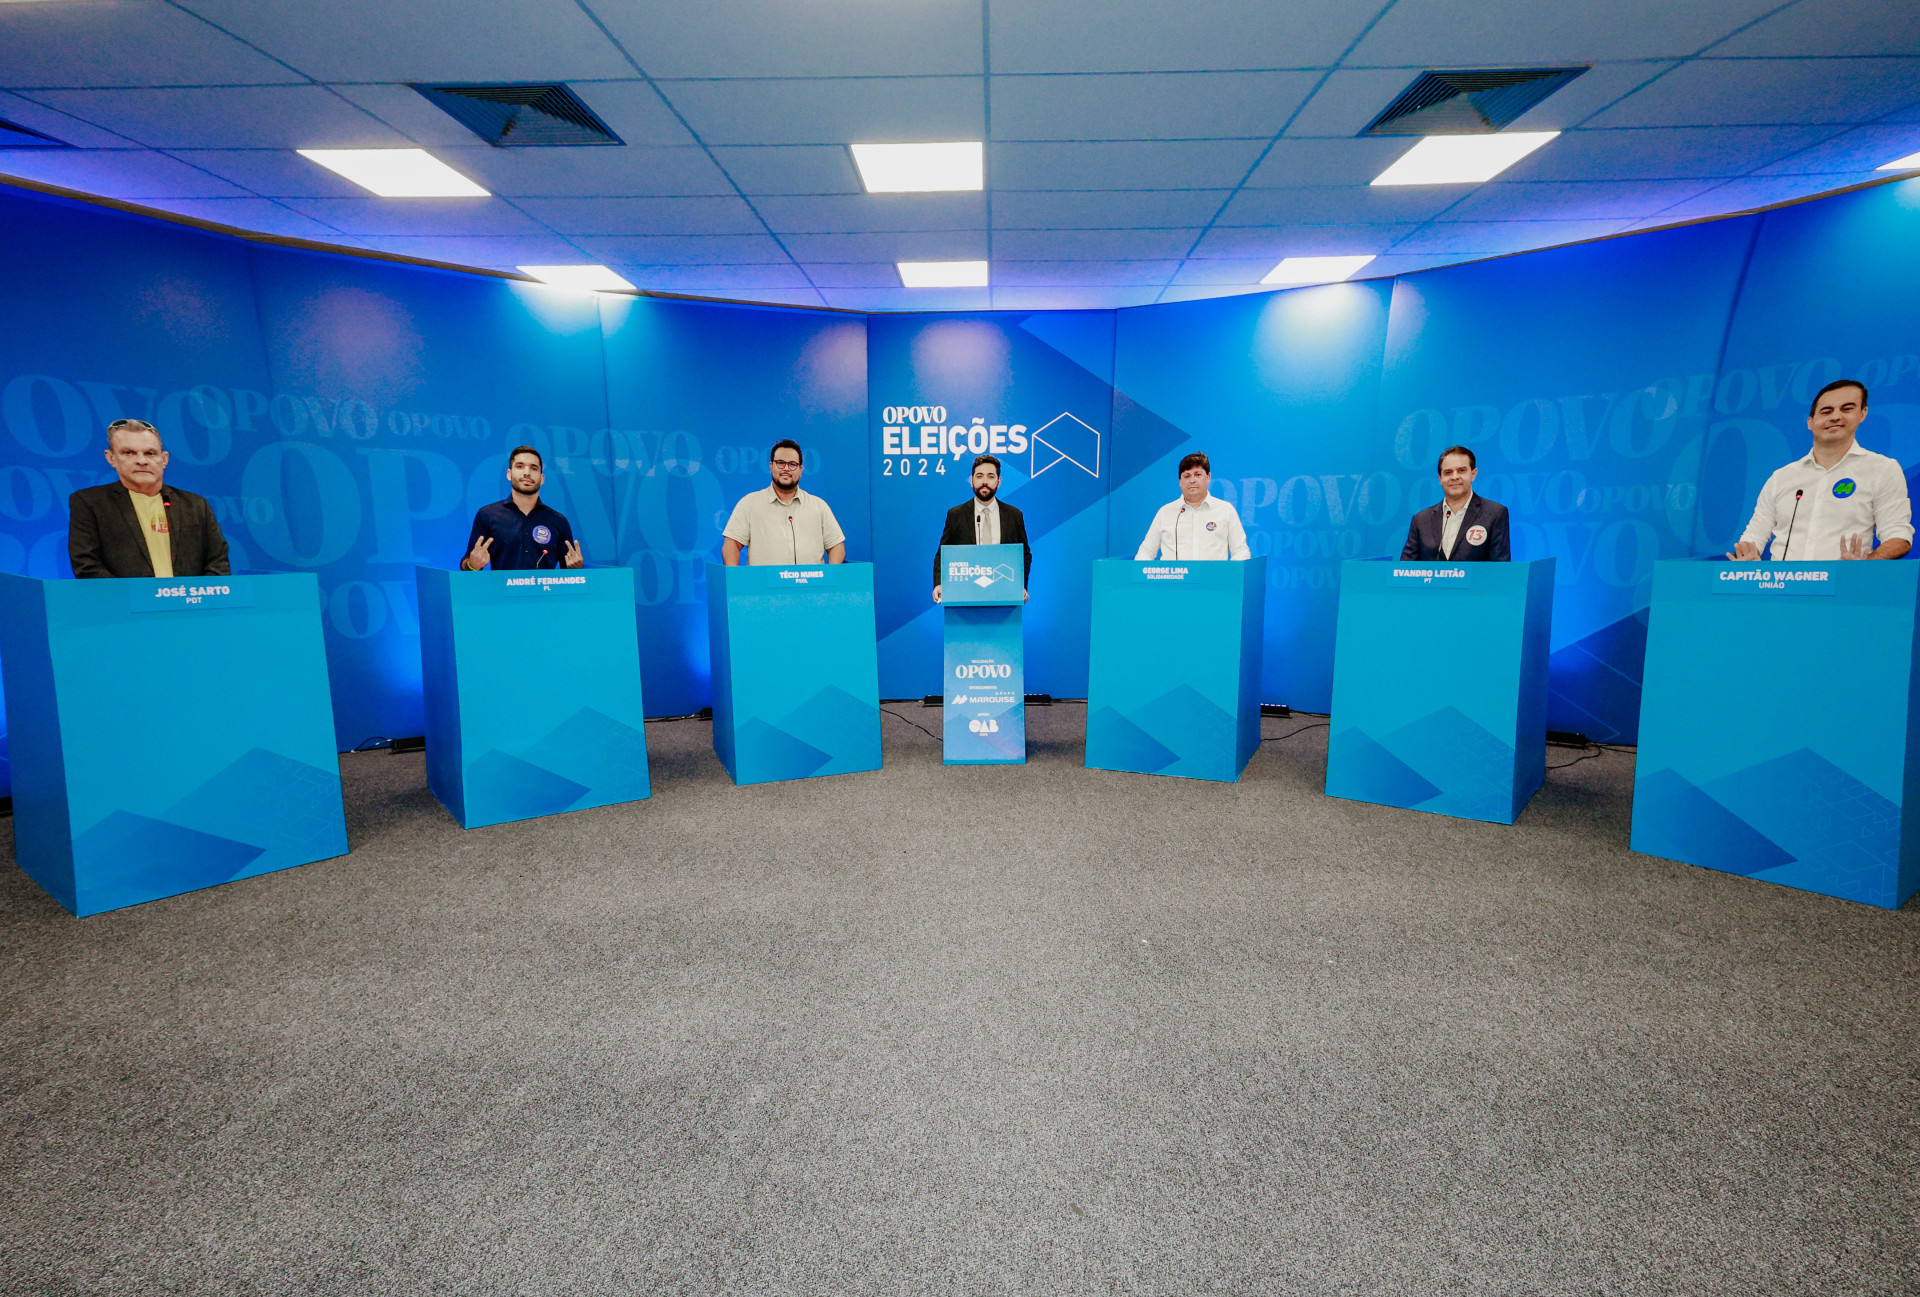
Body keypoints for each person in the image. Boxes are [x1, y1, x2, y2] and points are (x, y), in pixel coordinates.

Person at [1728, 379, 1911, 561]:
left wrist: (1864, 566)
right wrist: (1746, 558)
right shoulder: (1782, 477)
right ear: (1810, 422)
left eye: (1847, 409)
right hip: (1783, 586)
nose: (1835, 417)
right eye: (1826, 411)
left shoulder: (1882, 469)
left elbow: (1898, 536)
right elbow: (1753, 537)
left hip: (1845, 584)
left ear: (1862, 414)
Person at [68, 418, 230, 579]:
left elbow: (217, 564)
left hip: (189, 603)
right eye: (128, 453)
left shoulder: (195, 505)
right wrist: (136, 601)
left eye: (150, 453)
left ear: (164, 459)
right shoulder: (89, 503)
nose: (141, 461)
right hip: (124, 603)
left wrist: (198, 601)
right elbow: (87, 566)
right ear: (111, 458)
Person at [722, 439, 846, 565]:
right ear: (771, 467)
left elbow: (836, 546)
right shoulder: (749, 504)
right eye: (780, 463)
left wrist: (830, 578)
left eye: (792, 464)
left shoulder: (818, 506)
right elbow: (732, 544)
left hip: (811, 584)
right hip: (763, 584)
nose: (786, 468)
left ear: (800, 470)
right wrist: (735, 581)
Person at [461, 445, 583, 571]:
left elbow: (570, 574)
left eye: (534, 468)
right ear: (509, 474)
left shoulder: (558, 521)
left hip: (546, 590)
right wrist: (472, 565)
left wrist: (577, 568)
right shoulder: (487, 515)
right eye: (520, 466)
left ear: (542, 479)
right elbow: (467, 564)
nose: (527, 473)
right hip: (502, 590)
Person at [932, 455, 1031, 603]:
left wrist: (1020, 586)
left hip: (1003, 592)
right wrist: (939, 583)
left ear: (999, 482)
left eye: (991, 476)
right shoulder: (956, 515)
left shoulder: (1014, 515)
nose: (985, 482)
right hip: (965, 594)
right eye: (979, 476)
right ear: (972, 481)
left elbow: (1024, 554)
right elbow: (943, 554)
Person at [1401, 445, 1510, 561]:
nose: (1454, 477)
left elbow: (1500, 569)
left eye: (1461, 470)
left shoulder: (1494, 514)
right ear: (1440, 479)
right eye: (1448, 472)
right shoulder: (1421, 520)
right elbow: (1406, 568)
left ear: (1473, 474)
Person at [1135, 452, 1250, 561]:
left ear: (1208, 477)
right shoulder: (1165, 512)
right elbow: (1147, 550)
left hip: (1214, 580)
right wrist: (1138, 576)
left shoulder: (1225, 510)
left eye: (1198, 474)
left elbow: (1240, 550)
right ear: (1180, 481)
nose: (1192, 480)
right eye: (1187, 476)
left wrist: (1230, 575)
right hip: (1174, 581)